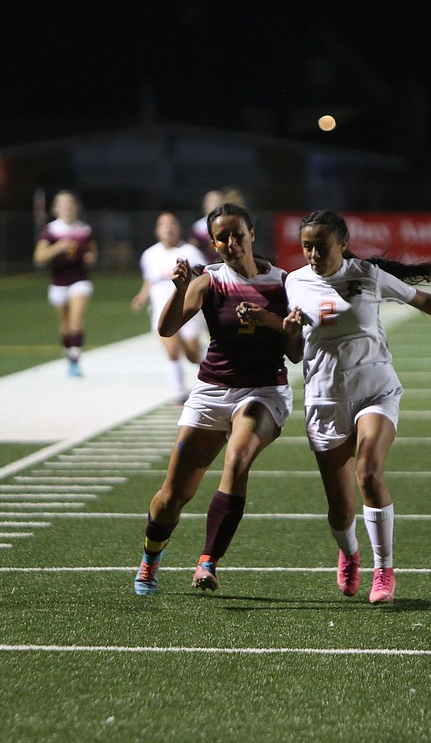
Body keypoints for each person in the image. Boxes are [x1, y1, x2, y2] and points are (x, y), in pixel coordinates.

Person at [285, 210, 431, 603]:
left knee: (368, 472)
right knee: (339, 509)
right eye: (306, 246)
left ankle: (383, 569)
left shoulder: (366, 274)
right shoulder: (293, 283)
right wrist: (285, 330)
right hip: (325, 398)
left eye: (321, 245)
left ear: (343, 244)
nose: (313, 254)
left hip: (376, 390)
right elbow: (295, 353)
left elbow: (424, 300)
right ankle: (350, 553)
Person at [134, 202, 300, 595]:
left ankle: (208, 561)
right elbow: (168, 327)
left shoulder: (284, 283)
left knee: (238, 457)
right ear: (212, 243)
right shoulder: (209, 280)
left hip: (264, 390)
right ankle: (150, 558)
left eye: (237, 234)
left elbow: (296, 352)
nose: (230, 243)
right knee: (173, 495)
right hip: (212, 390)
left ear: (252, 234)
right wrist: (178, 290)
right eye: (221, 237)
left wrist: (271, 321)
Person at [130, 211, 209, 403]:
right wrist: (142, 296)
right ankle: (181, 394)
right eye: (164, 225)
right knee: (172, 349)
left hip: (188, 309)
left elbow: (205, 278)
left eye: (172, 224)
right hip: (162, 309)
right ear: (158, 230)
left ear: (179, 228)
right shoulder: (150, 254)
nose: (169, 229)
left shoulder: (191, 252)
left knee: (192, 353)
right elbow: (150, 280)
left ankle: (215, 369)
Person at [33, 189, 98, 377]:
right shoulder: (51, 230)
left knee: (75, 322)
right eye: (63, 204)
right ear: (56, 209)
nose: (67, 208)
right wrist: (58, 247)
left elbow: (93, 252)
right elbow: (39, 257)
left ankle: (75, 360)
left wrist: (90, 257)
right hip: (58, 281)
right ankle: (69, 351)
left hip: (80, 280)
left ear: (76, 207)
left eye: (70, 204)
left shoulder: (84, 230)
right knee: (65, 325)